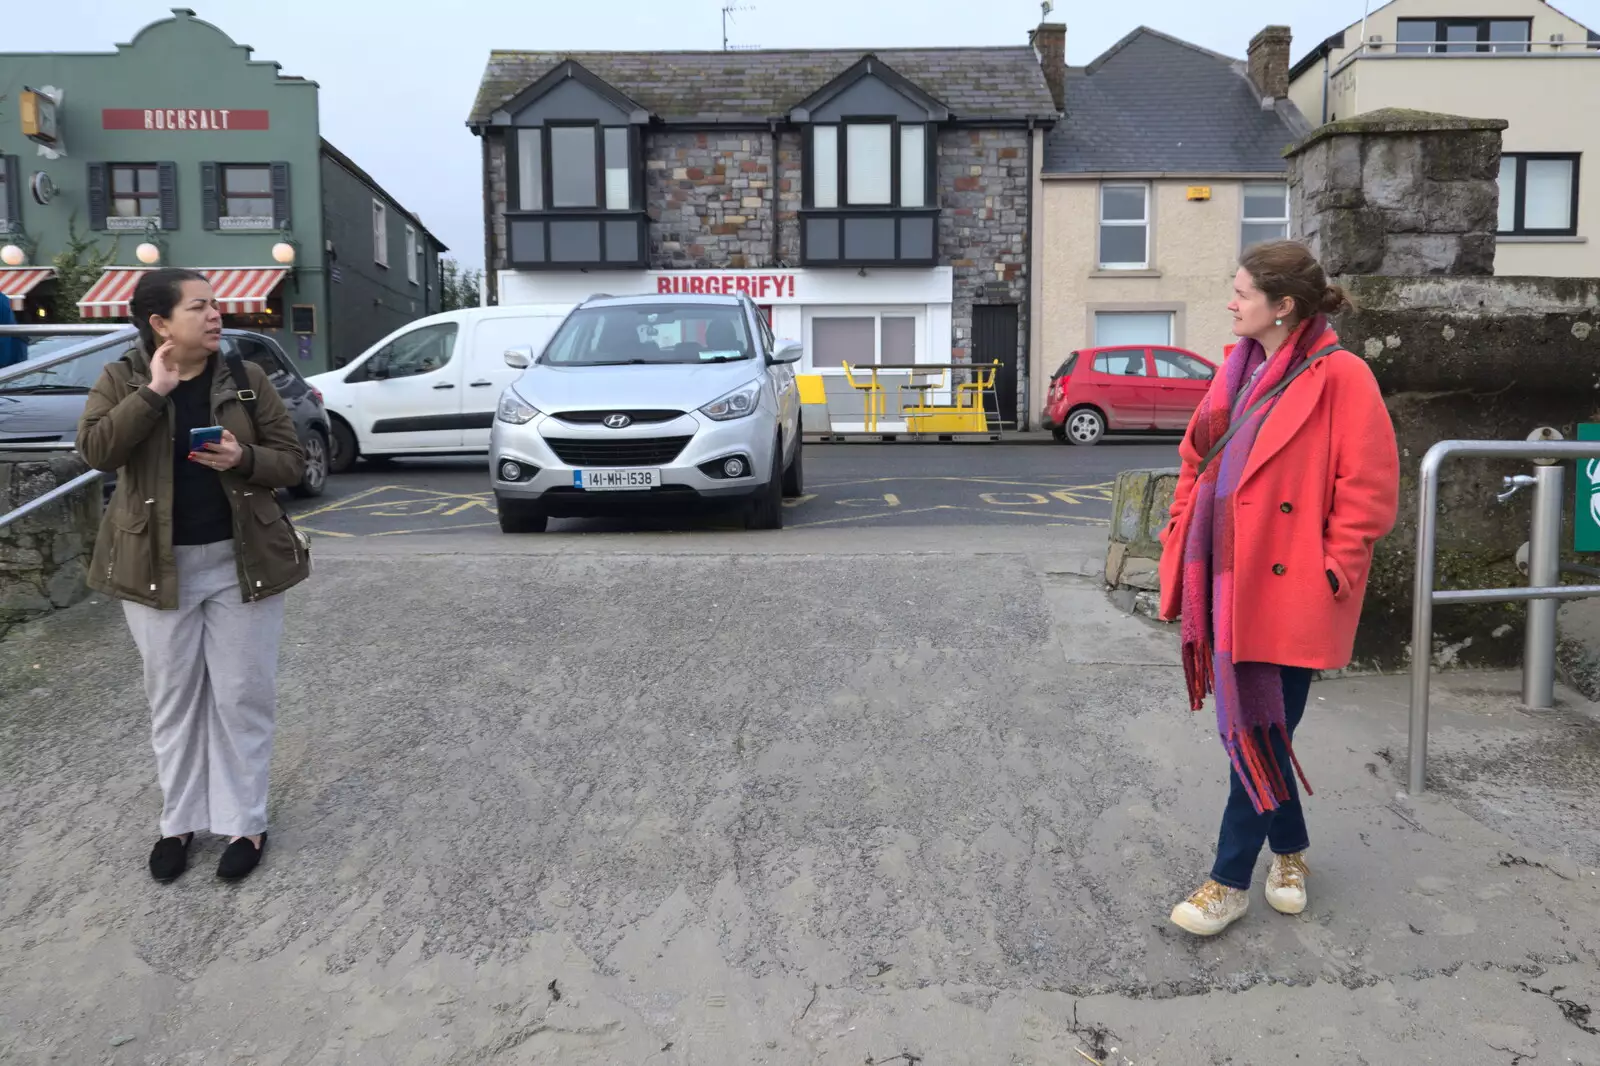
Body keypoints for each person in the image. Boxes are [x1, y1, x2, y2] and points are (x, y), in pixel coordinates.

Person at [1158, 240, 1399, 936]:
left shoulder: (1341, 375)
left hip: (1293, 585)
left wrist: (1335, 565)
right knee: (1255, 731)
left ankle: (1227, 879)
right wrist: (1182, 529)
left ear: (1282, 305)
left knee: (1259, 732)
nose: (1230, 303)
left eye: (1241, 293)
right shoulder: (1237, 369)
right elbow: (1194, 460)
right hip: (1229, 581)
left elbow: (1371, 488)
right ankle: (1289, 852)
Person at [77, 268, 310, 884]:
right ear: (160, 323)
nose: (216, 316)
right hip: (155, 569)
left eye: (216, 305)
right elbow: (96, 452)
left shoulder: (247, 379)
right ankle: (177, 822)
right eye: (200, 307)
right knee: (173, 700)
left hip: (241, 563)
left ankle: (245, 822)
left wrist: (244, 457)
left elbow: (291, 460)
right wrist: (153, 394)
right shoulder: (121, 378)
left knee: (242, 696)